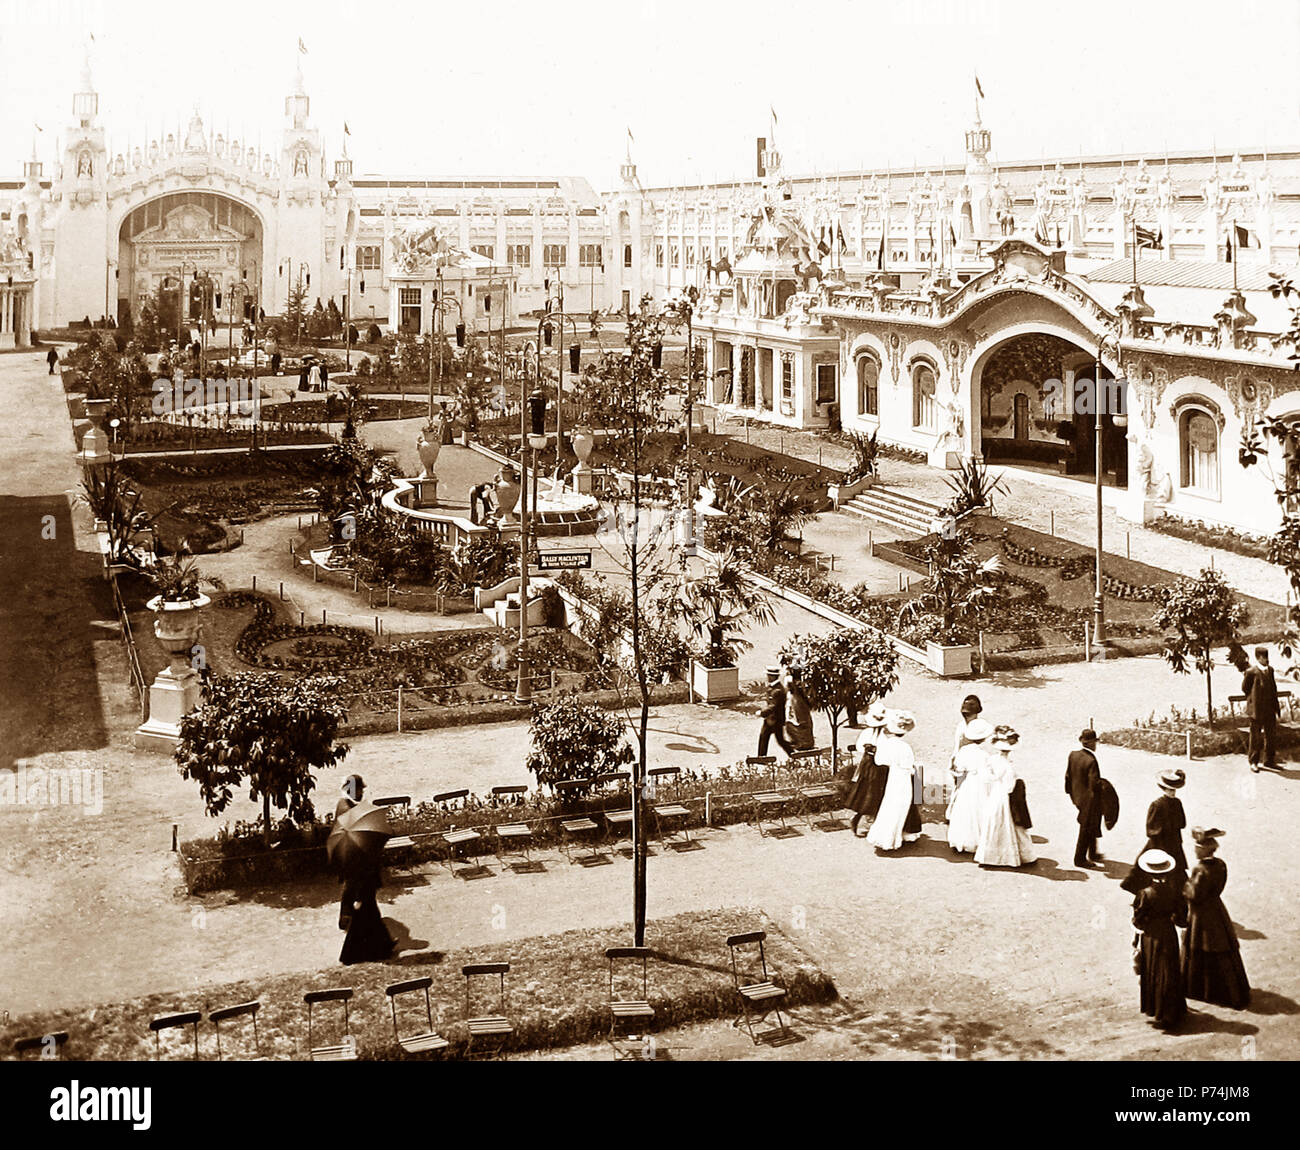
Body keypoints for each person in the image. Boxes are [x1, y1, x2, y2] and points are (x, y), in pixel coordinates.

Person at [1182, 827, 1250, 1009]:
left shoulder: (1199, 869)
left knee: (1199, 945)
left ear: (1204, 850)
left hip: (1201, 914)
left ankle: (1201, 990)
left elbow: (1193, 894)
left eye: (1197, 847)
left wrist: (1184, 887)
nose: (1195, 850)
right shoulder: (1220, 864)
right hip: (1217, 910)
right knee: (1221, 946)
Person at [1121, 769, 1188, 925]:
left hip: (1173, 844)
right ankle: (1144, 901)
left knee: (1177, 877)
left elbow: (1182, 823)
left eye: (1174, 790)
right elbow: (1151, 829)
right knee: (1149, 873)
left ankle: (1178, 909)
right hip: (1159, 845)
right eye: (1169, 789)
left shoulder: (1176, 803)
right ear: (1163, 789)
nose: (1172, 793)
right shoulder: (1157, 804)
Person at [1131, 849, 1187, 1032]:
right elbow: (1181, 916)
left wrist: (1137, 935)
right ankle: (1174, 1009)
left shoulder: (1145, 894)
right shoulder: (1173, 890)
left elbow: (1138, 919)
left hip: (1152, 935)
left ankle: (1159, 1010)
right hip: (1168, 933)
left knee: (1155, 970)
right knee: (1169, 969)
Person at [975, 726, 1036, 867]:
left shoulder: (992, 760)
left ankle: (990, 856)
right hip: (1006, 795)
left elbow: (985, 777)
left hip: (996, 794)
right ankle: (1017, 856)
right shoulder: (1009, 765)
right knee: (1013, 824)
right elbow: (1010, 786)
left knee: (995, 825)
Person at [866, 711, 921, 850]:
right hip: (904, 779)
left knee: (889, 805)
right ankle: (896, 837)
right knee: (901, 807)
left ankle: (887, 838)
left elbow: (879, 761)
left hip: (893, 777)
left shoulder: (888, 745)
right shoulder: (906, 747)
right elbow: (910, 766)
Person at [842, 701, 890, 836]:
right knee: (876, 794)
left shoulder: (867, 733)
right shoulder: (884, 736)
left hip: (866, 765)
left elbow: (859, 746)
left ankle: (863, 818)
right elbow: (885, 753)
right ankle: (868, 820)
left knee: (865, 792)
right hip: (878, 767)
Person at [947, 718, 994, 854]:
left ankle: (961, 839)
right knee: (979, 807)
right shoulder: (984, 755)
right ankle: (978, 839)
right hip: (979, 783)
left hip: (968, 782)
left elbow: (959, 770)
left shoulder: (964, 751)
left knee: (964, 808)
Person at [339, 857, 395, 965]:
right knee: (366, 925)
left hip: (367, 894)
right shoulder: (363, 857)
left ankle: (385, 946)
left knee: (373, 922)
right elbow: (361, 880)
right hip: (365, 895)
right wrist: (359, 899)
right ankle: (353, 955)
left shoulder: (357, 855)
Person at [1065, 729, 1105, 869]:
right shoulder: (1091, 760)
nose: (1095, 745)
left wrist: (1072, 794)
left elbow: (1068, 776)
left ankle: (1093, 853)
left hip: (1077, 796)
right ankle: (1080, 858)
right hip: (1089, 799)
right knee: (1086, 827)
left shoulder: (1073, 755)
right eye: (1094, 742)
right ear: (1091, 743)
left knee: (1091, 823)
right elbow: (1094, 784)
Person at [1242, 645, 1279, 773]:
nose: (1266, 660)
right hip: (1256, 710)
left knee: (1271, 736)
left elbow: (1273, 688)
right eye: (1263, 657)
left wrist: (1275, 706)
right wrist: (1253, 700)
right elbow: (1245, 688)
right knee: (1255, 737)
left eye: (1267, 657)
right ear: (1258, 658)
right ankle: (1253, 762)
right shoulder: (1251, 672)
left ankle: (1269, 760)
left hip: (1269, 709)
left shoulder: (1270, 670)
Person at [757, 667, 794, 757]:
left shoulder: (777, 690)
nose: (767, 677)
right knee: (765, 737)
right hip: (771, 719)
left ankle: (793, 754)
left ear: (773, 677)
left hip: (775, 719)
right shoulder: (773, 688)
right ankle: (762, 757)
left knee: (778, 739)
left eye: (769, 675)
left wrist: (762, 713)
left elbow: (773, 706)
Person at [784, 667, 815, 752]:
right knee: (801, 721)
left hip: (797, 702)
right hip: (797, 703)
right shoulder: (798, 682)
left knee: (797, 721)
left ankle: (801, 742)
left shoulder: (795, 682)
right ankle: (804, 741)